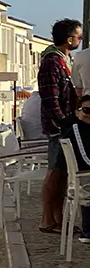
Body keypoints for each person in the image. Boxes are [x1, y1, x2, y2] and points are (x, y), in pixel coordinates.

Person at [38, 19, 83, 234]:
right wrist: (63, 121)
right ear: (69, 38)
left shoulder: (66, 59)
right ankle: (47, 219)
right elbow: (50, 97)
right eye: (79, 37)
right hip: (58, 126)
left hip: (67, 123)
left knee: (63, 173)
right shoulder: (52, 62)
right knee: (55, 172)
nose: (80, 40)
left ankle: (59, 218)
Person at [60, 94, 90, 243]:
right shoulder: (77, 131)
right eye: (86, 110)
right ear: (78, 112)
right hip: (84, 181)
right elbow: (86, 159)